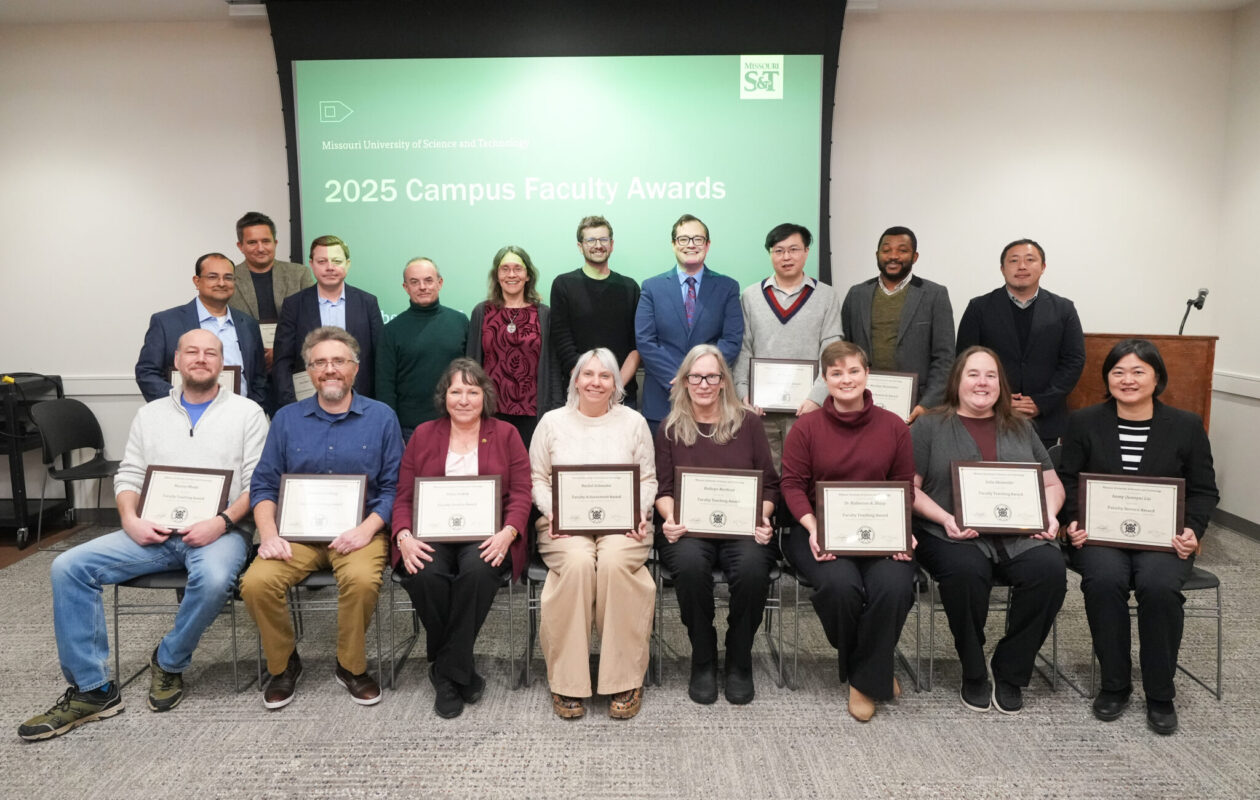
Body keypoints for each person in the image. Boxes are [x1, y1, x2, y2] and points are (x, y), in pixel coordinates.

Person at [20, 330, 268, 741]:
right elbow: (130, 474)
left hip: (220, 530)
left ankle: (169, 660)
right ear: (177, 360)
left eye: (211, 352)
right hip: (150, 530)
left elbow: (257, 482)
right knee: (68, 566)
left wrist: (221, 522)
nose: (201, 358)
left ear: (222, 363)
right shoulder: (150, 415)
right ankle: (92, 689)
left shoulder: (248, 413)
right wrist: (130, 520)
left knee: (214, 580)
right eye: (192, 351)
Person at [1059, 339, 1218, 735]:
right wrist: (1072, 522)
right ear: (1107, 378)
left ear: (1157, 377)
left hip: (1165, 539)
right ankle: (1115, 685)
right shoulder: (1084, 422)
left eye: (1138, 371)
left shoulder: (1186, 425)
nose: (1127, 380)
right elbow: (1067, 480)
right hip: (1100, 536)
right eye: (1118, 372)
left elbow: (1203, 490)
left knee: (1159, 585)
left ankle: (1160, 693)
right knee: (1104, 581)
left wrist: (1192, 532)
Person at [240, 326, 403, 709]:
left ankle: (350, 666)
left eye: (339, 361)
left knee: (363, 581)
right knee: (256, 583)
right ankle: (283, 665)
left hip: (360, 530)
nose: (330, 370)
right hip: (294, 536)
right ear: (309, 371)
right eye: (320, 363)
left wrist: (366, 530)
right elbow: (263, 485)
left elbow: (396, 488)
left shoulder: (382, 418)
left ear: (355, 368)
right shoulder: (285, 419)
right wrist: (267, 534)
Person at [911, 346, 1066, 715]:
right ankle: (973, 665)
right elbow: (909, 489)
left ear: (1001, 384)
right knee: (965, 573)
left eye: (991, 375)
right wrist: (946, 518)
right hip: (948, 532)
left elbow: (1053, 486)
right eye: (973, 374)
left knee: (1050, 572)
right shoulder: (929, 425)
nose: (982, 383)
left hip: (1018, 534)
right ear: (957, 381)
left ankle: (1011, 668)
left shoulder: (1020, 426)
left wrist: (1051, 516)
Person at [780, 341, 917, 721]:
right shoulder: (805, 428)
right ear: (824, 380)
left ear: (867, 373)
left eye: (853, 371)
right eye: (836, 373)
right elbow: (791, 485)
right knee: (840, 587)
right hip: (816, 530)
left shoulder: (894, 426)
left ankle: (863, 677)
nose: (846, 379)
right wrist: (812, 528)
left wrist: (903, 531)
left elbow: (904, 485)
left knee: (894, 584)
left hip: (881, 531)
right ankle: (874, 670)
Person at [392, 359, 531, 719]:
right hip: (431, 531)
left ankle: (445, 671)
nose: (464, 399)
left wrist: (508, 532)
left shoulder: (506, 434)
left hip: (488, 531)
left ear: (485, 396)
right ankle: (461, 671)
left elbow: (521, 493)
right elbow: (404, 494)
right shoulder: (423, 434)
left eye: (472, 391)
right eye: (456, 391)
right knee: (424, 573)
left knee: (479, 570)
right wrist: (403, 535)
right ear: (445, 396)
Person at [530, 348, 656, 719]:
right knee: (580, 563)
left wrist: (638, 510)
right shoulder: (552, 422)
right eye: (588, 374)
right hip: (563, 525)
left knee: (615, 563)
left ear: (617, 383)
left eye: (605, 376)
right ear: (575, 380)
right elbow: (537, 479)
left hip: (625, 524)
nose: (596, 382)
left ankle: (624, 678)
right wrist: (554, 512)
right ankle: (568, 681)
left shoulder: (633, 422)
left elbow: (648, 479)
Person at [654, 344, 778, 706]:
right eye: (696, 376)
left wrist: (764, 517)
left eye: (711, 376)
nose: (704, 383)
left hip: (743, 528)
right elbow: (663, 488)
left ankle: (739, 658)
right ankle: (703, 656)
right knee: (690, 567)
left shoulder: (749, 423)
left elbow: (769, 484)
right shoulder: (670, 428)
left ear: (724, 381)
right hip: (688, 529)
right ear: (684, 381)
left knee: (754, 569)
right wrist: (671, 518)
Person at [733, 223, 843, 469]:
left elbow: (832, 350)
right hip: (761, 411)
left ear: (806, 251)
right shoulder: (750, 296)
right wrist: (743, 392)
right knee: (765, 477)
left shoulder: (826, 296)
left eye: (794, 249)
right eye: (779, 250)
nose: (786, 257)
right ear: (770, 254)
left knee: (804, 475)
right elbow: (743, 348)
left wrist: (817, 397)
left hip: (807, 409)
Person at [955, 238, 1085, 446]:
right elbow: (964, 360)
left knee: (1044, 475)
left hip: (1047, 418)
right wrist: (1001, 402)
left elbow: (1073, 361)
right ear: (1002, 268)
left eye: (1030, 260)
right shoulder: (979, 308)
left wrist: (1041, 402)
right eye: (1014, 261)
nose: (1022, 266)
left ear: (1043, 267)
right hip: (989, 414)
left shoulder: (1064, 309)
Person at [635, 214, 743, 432]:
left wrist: (701, 378)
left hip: (710, 400)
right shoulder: (651, 287)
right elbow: (645, 340)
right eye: (683, 239)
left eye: (698, 239)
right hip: (662, 400)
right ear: (674, 244)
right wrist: (679, 378)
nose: (691, 245)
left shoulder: (728, 287)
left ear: (708, 244)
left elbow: (731, 340)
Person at [841, 225, 955, 422]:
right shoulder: (857, 294)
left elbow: (945, 357)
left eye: (902, 250)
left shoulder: (935, 295)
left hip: (916, 406)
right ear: (877, 255)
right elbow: (844, 350)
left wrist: (928, 404)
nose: (893, 256)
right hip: (862, 402)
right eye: (886, 250)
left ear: (915, 256)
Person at [135, 252, 267, 405]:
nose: (222, 283)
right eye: (213, 277)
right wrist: (177, 403)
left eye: (228, 277)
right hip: (184, 416)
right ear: (197, 281)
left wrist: (253, 409)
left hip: (239, 418)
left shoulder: (248, 324)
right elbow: (146, 372)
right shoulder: (166, 322)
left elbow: (259, 377)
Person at [466, 246, 562, 448]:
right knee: (495, 473)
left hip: (534, 415)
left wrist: (555, 410)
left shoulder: (544, 315)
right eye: (505, 269)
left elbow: (553, 367)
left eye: (518, 269)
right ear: (497, 275)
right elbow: (472, 366)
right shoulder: (482, 312)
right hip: (491, 413)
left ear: (528, 275)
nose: (511, 274)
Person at [272, 235, 383, 407]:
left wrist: (374, 405)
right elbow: (282, 361)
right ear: (311, 264)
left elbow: (379, 360)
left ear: (348, 264)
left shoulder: (368, 303)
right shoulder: (294, 305)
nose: (330, 267)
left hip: (360, 403)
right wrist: (290, 404)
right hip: (308, 404)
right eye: (322, 261)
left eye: (337, 261)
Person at [550, 215, 642, 407]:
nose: (598, 245)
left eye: (603, 239)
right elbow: (563, 341)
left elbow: (636, 345)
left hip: (622, 395)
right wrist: (590, 384)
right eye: (591, 240)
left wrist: (615, 387)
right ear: (580, 246)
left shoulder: (630, 287)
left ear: (612, 244)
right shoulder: (564, 285)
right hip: (580, 393)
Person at [376, 257, 469, 441]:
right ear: (405, 287)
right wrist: (391, 430)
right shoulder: (391, 330)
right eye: (414, 282)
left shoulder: (461, 323)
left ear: (439, 283)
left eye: (428, 280)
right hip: (410, 430)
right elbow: (385, 386)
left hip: (458, 423)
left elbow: (473, 376)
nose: (422, 287)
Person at [228, 211, 315, 371]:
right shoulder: (228, 278)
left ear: (275, 242)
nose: (260, 248)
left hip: (294, 365)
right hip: (247, 367)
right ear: (240, 246)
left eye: (266, 241)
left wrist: (282, 350)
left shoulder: (299, 274)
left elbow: (312, 321)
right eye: (252, 242)